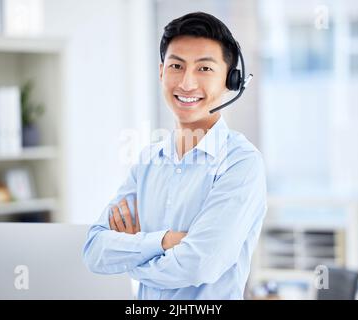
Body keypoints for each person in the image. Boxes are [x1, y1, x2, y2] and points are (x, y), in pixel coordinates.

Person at [83, 11, 267, 300]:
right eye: (176, 66)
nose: (187, 83)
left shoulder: (241, 163)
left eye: (204, 69)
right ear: (161, 73)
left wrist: (133, 254)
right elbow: (95, 250)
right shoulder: (148, 161)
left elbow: (198, 265)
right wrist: (165, 241)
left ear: (230, 80)